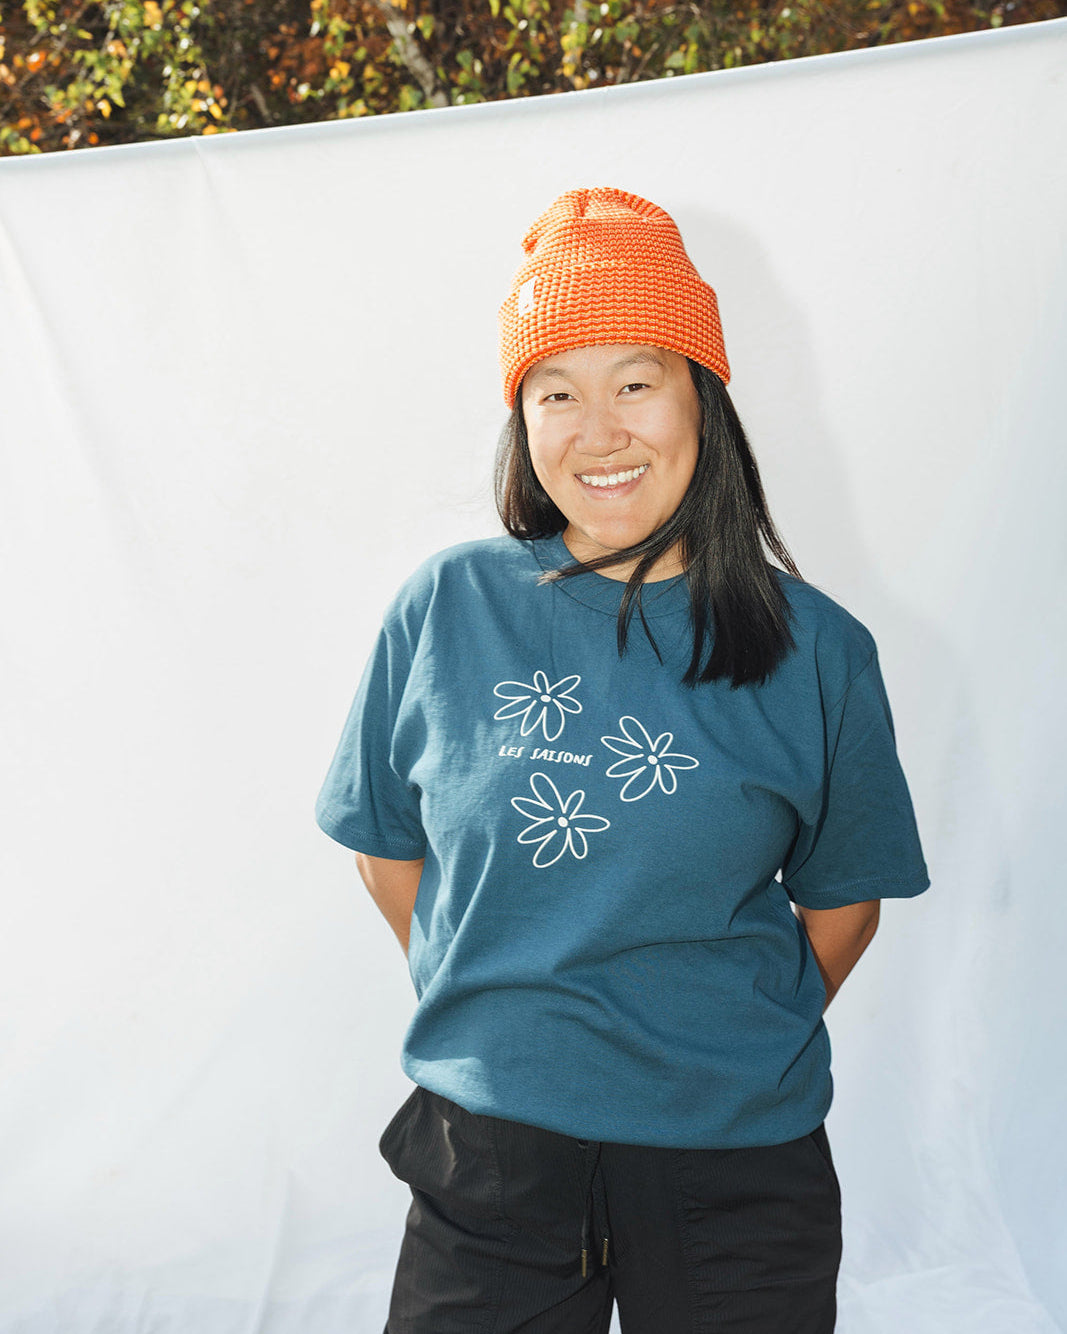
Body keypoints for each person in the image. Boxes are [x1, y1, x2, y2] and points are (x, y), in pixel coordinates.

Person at [315, 186, 931, 1334]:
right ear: (522, 419)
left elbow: (845, 897)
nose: (596, 432)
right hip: (489, 1163)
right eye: (556, 392)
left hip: (735, 1173)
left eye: (634, 383)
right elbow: (384, 845)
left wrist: (721, 1042)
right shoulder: (447, 607)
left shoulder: (816, 649)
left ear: (702, 397)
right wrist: (489, 997)